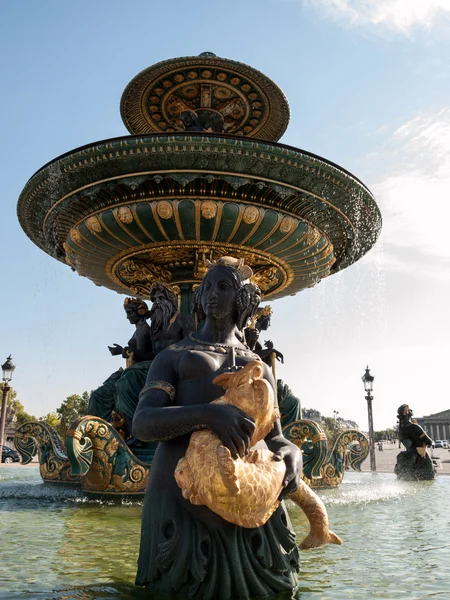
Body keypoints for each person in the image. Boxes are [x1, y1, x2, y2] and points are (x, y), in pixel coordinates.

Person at [133, 257, 301, 599]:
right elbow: (143, 423)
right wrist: (208, 415)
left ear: (241, 299)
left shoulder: (260, 367)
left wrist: (292, 455)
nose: (212, 294)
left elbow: (277, 437)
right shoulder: (173, 356)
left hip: (253, 493)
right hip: (183, 490)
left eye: (223, 287)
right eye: (207, 287)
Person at [88, 297, 153, 436]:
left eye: (130, 312)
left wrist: (125, 351)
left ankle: (102, 433)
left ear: (140, 312)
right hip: (132, 371)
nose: (127, 316)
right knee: (99, 394)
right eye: (127, 313)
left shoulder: (143, 330)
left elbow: (142, 355)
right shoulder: (138, 330)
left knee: (100, 395)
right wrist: (122, 351)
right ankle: (98, 432)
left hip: (139, 374)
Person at [394, 404, 435, 481]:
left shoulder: (399, 430)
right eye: (408, 409)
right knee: (428, 481)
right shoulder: (415, 427)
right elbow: (429, 441)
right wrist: (423, 445)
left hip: (408, 456)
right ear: (406, 413)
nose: (410, 411)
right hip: (422, 458)